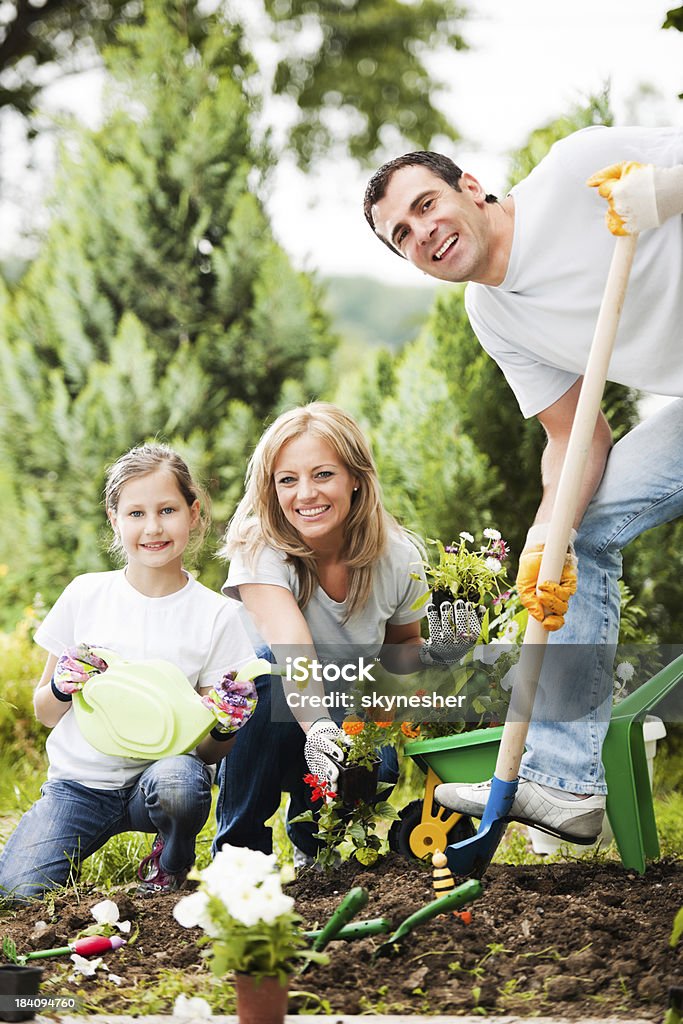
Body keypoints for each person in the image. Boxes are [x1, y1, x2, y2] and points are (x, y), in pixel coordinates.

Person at [364, 126, 683, 843]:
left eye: (426, 204)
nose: (423, 232)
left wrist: (665, 193)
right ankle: (565, 783)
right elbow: (576, 437)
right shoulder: (492, 312)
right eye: (401, 234)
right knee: (581, 531)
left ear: (470, 187)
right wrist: (548, 531)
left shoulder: (577, 167)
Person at [214, 401, 473, 863]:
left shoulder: (398, 556)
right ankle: (239, 855)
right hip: (264, 728)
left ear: (355, 476)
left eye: (323, 474)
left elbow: (400, 649)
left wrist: (440, 654)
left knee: (376, 762)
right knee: (262, 679)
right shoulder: (260, 548)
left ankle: (318, 850)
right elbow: (291, 653)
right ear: (271, 490)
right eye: (287, 480)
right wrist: (317, 730)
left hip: (347, 712)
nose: (305, 494)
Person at [0, 443, 258, 903]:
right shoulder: (86, 595)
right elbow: (44, 712)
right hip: (78, 787)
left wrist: (224, 721)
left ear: (194, 513)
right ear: (114, 519)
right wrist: (61, 685)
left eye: (167, 510)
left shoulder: (217, 615)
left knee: (181, 780)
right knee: (19, 892)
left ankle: (171, 859)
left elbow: (211, 751)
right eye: (136, 513)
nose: (153, 527)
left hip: (160, 781)